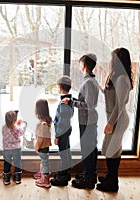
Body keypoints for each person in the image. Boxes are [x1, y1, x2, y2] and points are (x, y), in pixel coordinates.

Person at [96, 47, 133, 192]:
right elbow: (110, 94)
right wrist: (100, 87)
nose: (110, 61)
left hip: (118, 120)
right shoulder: (117, 76)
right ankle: (110, 176)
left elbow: (120, 104)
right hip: (113, 118)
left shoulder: (122, 79)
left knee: (113, 150)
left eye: (112, 58)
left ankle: (113, 182)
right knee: (110, 149)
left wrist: (111, 123)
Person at [61, 53, 99, 189]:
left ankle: (88, 180)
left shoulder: (88, 82)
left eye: (80, 64)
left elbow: (89, 105)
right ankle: (89, 174)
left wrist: (71, 102)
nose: (79, 66)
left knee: (87, 150)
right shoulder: (92, 80)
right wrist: (74, 101)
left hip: (87, 121)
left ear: (84, 65)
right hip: (90, 120)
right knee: (91, 149)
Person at [50, 75, 74, 186]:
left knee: (64, 154)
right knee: (67, 151)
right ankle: (66, 172)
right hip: (67, 129)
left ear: (60, 87)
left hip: (63, 131)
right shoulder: (69, 99)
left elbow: (62, 122)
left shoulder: (64, 102)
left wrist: (57, 136)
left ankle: (63, 178)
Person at [33, 99, 52, 188]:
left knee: (44, 162)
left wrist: (37, 146)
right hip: (45, 145)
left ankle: (45, 180)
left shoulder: (42, 124)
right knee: (44, 160)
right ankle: (43, 173)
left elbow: (40, 138)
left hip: (42, 146)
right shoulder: (47, 120)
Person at [2, 110, 24, 185]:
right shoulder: (17, 128)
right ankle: (18, 178)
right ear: (15, 120)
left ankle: (6, 179)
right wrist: (19, 125)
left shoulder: (4, 127)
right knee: (17, 163)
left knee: (7, 163)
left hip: (7, 149)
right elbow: (22, 133)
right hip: (16, 149)